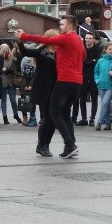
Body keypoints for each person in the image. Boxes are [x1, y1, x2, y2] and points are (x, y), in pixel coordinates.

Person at [15, 17, 86, 158]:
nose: (59, 34)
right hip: (45, 90)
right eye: (55, 37)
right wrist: (20, 40)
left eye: (62, 26)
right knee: (48, 118)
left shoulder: (62, 48)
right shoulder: (42, 52)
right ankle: (42, 145)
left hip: (58, 87)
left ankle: (65, 145)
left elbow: (81, 55)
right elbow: (26, 52)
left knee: (57, 116)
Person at [72, 33, 101, 127]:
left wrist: (88, 61)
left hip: (93, 77)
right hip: (83, 76)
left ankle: (92, 118)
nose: (88, 40)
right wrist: (90, 61)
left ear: (93, 39)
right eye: (86, 38)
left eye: (90, 38)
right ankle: (84, 118)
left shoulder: (97, 49)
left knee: (94, 98)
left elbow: (96, 62)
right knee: (82, 98)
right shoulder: (82, 48)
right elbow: (80, 61)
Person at [94, 42, 112, 131]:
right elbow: (96, 72)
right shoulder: (100, 60)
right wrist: (97, 80)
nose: (111, 51)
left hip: (110, 86)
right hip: (101, 85)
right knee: (105, 104)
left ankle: (99, 122)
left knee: (105, 103)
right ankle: (107, 123)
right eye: (109, 49)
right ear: (105, 50)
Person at [0, 43, 22, 125]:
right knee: (3, 100)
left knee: (13, 100)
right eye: (3, 50)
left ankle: (15, 114)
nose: (5, 52)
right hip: (2, 81)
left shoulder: (12, 58)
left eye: (7, 49)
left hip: (10, 81)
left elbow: (15, 66)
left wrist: (9, 69)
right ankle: (5, 116)